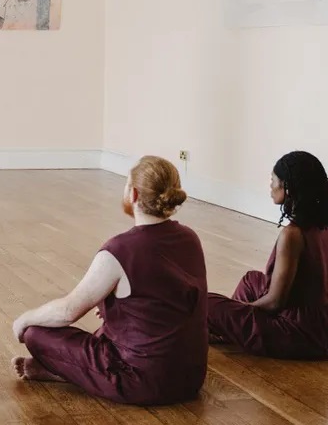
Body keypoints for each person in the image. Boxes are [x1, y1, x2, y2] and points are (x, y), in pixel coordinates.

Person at [11, 156, 208, 405]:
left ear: (133, 194)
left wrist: (24, 319)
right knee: (105, 326)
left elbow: (68, 311)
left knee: (35, 333)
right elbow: (161, 302)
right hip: (189, 378)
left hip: (141, 382)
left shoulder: (120, 250)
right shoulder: (190, 238)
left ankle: (69, 372)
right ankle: (69, 372)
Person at [207, 151, 328, 359]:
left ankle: (227, 330)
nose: (270, 186)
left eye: (273, 180)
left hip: (300, 333)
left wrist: (239, 310)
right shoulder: (322, 227)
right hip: (324, 325)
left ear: (287, 188)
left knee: (208, 303)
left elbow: (275, 303)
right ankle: (231, 330)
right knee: (251, 280)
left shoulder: (292, 235)